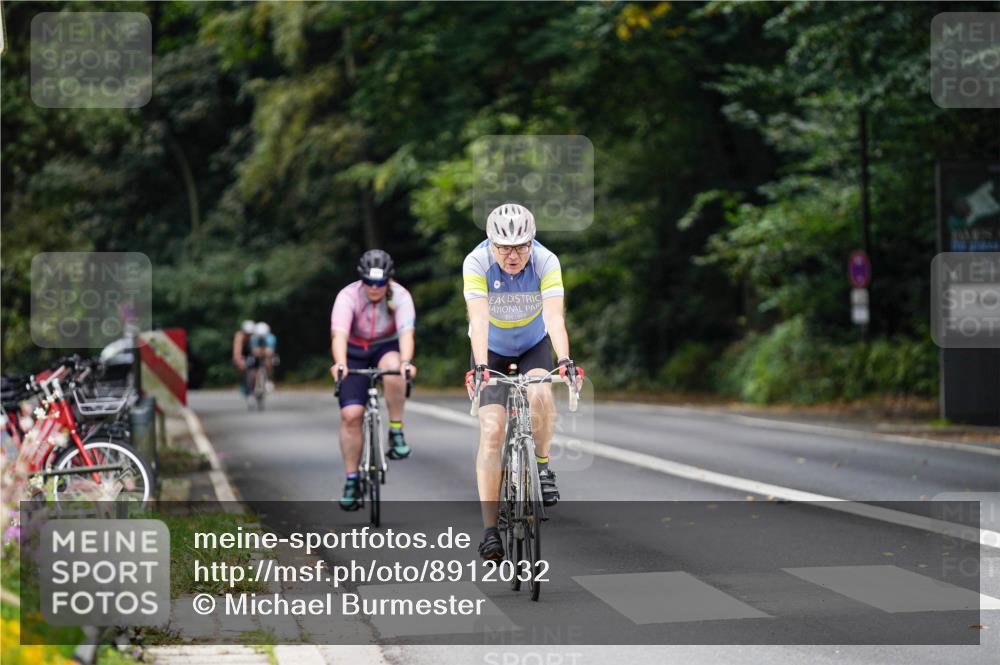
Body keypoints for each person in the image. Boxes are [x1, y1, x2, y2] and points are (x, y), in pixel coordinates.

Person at [463, 203, 583, 561]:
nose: (513, 255)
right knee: (492, 430)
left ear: (532, 242)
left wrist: (564, 360)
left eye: (521, 246)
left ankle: (542, 467)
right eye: (504, 248)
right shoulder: (476, 262)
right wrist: (481, 366)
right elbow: (479, 321)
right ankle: (489, 530)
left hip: (533, 345)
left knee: (541, 395)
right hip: (491, 349)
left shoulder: (546, 261)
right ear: (491, 243)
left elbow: (555, 318)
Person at [329, 250, 417, 511]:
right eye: (369, 282)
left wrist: (406, 362)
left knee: (394, 369)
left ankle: (396, 430)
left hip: (385, 347)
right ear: (362, 279)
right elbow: (339, 335)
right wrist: (340, 363)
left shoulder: (400, 296)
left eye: (380, 282)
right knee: (351, 415)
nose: (375, 288)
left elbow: (406, 333)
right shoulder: (348, 296)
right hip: (354, 351)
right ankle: (351, 480)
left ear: (389, 280)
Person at [251, 322, 278, 393]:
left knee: (269, 362)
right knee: (252, 365)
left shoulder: (271, 338)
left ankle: (269, 379)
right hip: (259, 354)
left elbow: (270, 352)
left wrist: (260, 352)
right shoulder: (253, 338)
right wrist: (260, 352)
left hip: (268, 355)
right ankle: (252, 383)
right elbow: (253, 351)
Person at [232, 320, 255, 396]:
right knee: (241, 366)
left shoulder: (255, 336)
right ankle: (243, 382)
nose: (249, 336)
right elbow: (237, 351)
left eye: (250, 334)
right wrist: (239, 361)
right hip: (242, 354)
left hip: (251, 353)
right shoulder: (239, 336)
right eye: (247, 334)